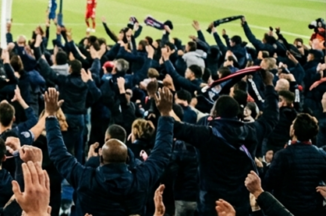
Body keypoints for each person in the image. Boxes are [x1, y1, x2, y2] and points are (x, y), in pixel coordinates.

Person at [45, 87, 174, 215]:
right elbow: (161, 154)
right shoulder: (140, 180)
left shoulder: (86, 178)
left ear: (100, 158)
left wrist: (51, 115)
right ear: (128, 158)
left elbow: (58, 154)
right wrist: (165, 114)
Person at [171, 70, 278, 216]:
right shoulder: (251, 132)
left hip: (210, 206)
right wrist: (269, 85)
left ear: (215, 113)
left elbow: (176, 128)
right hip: (240, 205)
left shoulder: (206, 134)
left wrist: (164, 111)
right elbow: (271, 117)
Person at [263, 113, 326, 215]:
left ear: (294, 130)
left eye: (292, 124)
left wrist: (266, 165)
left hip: (286, 209)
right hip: (313, 209)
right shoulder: (322, 155)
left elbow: (268, 183)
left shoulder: (283, 155)